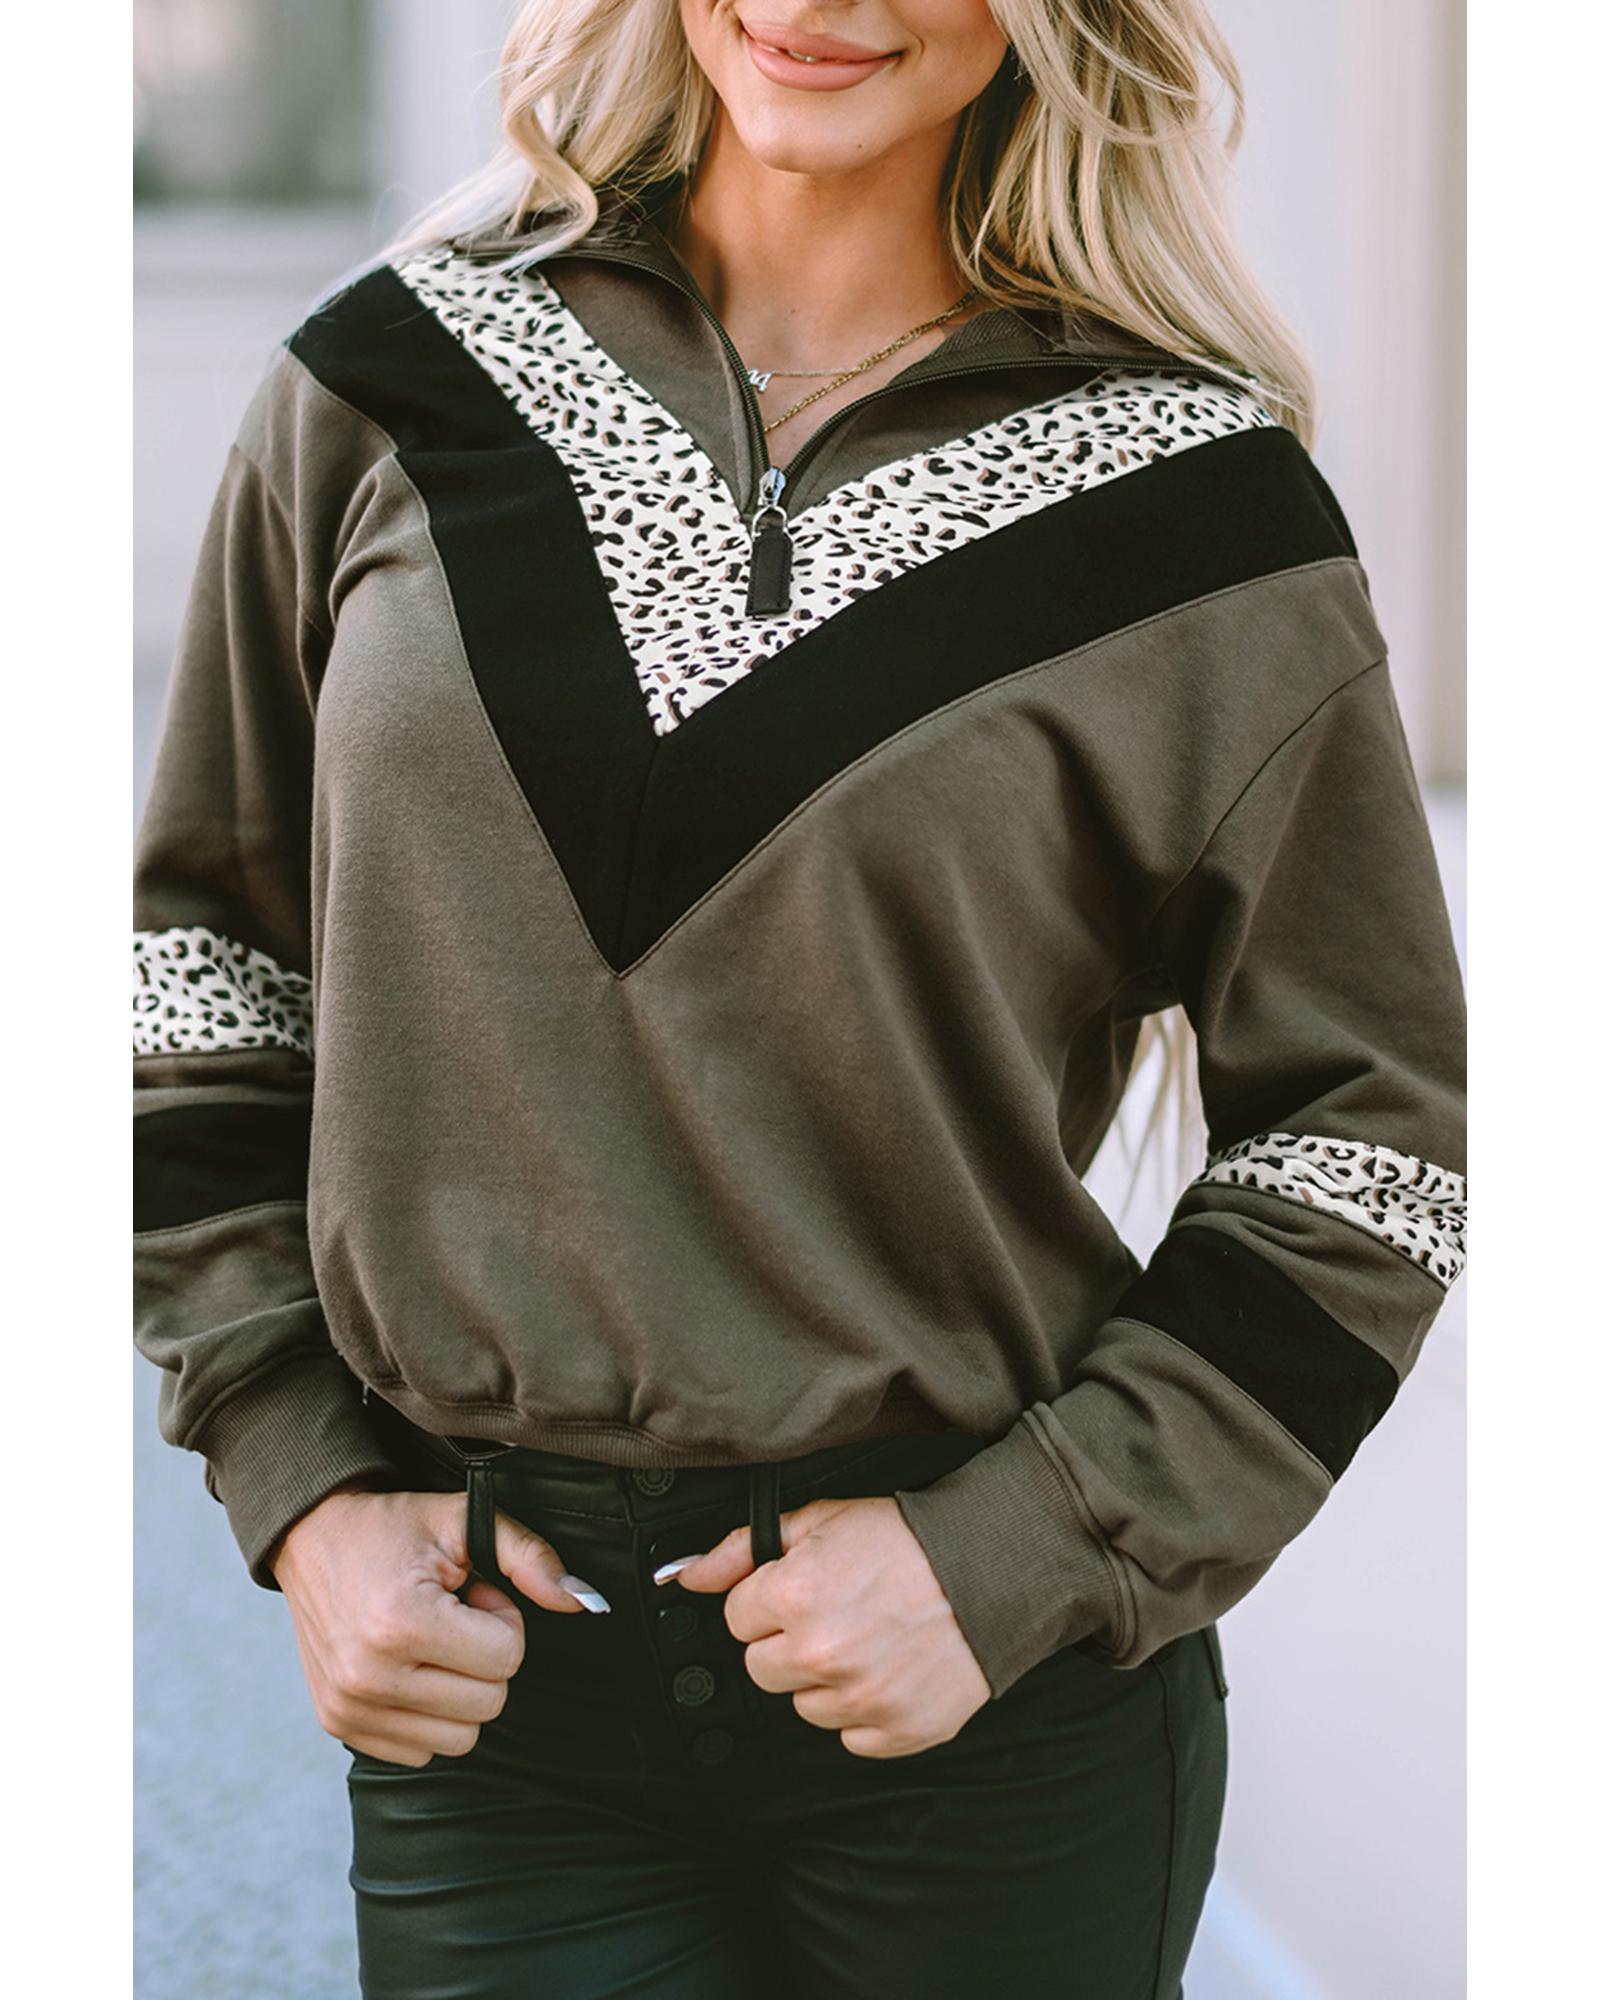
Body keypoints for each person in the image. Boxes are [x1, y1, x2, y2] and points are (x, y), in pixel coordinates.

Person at [132, 2, 1468, 1995]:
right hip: (503, 1704)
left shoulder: (1202, 521)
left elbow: (1374, 1135)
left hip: (984, 1704)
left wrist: (1025, 1548)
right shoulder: (383, 389)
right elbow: (202, 967)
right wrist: (302, 1477)